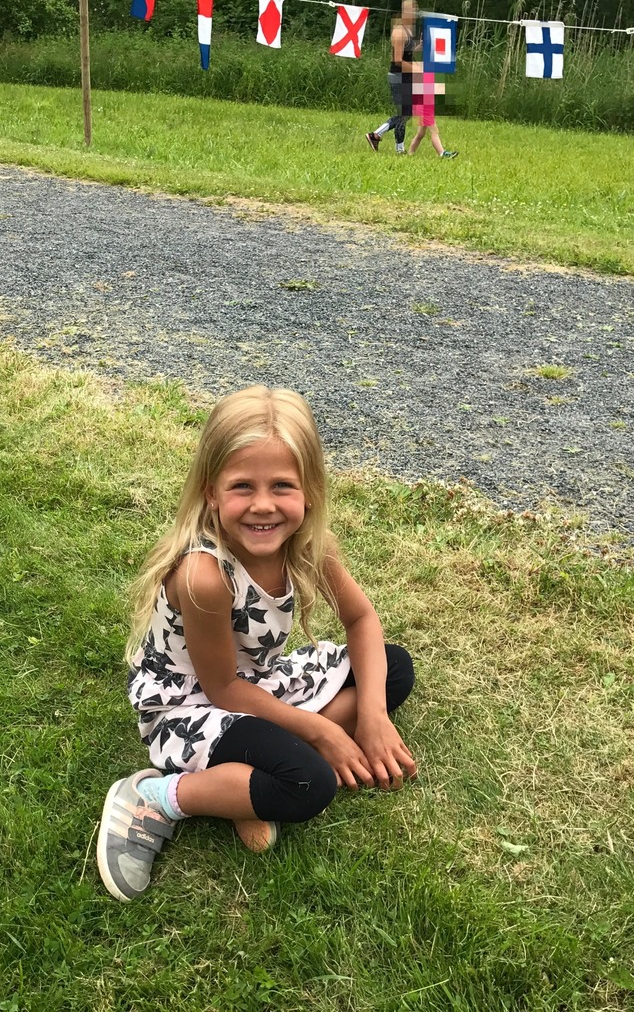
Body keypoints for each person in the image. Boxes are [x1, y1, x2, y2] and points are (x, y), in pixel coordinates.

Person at [96, 386, 418, 902]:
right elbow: (221, 690)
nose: (263, 505)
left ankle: (243, 784)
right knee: (309, 782)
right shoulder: (205, 575)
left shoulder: (308, 545)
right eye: (242, 486)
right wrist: (324, 732)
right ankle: (157, 796)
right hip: (191, 707)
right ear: (211, 492)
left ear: (309, 491)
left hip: (257, 685)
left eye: (282, 486)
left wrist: (375, 718)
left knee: (393, 667)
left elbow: (360, 620)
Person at [367, 0, 421, 155]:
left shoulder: (408, 30)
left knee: (405, 113)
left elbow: (407, 52)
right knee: (404, 113)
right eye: (413, 10)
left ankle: (381, 137)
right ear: (405, 12)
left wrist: (418, 47)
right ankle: (380, 137)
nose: (415, 14)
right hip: (398, 76)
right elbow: (397, 60)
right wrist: (417, 69)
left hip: (406, 76)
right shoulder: (399, 32)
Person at [408, 70, 458, 158]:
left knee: (420, 134)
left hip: (426, 107)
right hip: (424, 108)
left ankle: (410, 153)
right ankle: (442, 153)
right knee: (434, 131)